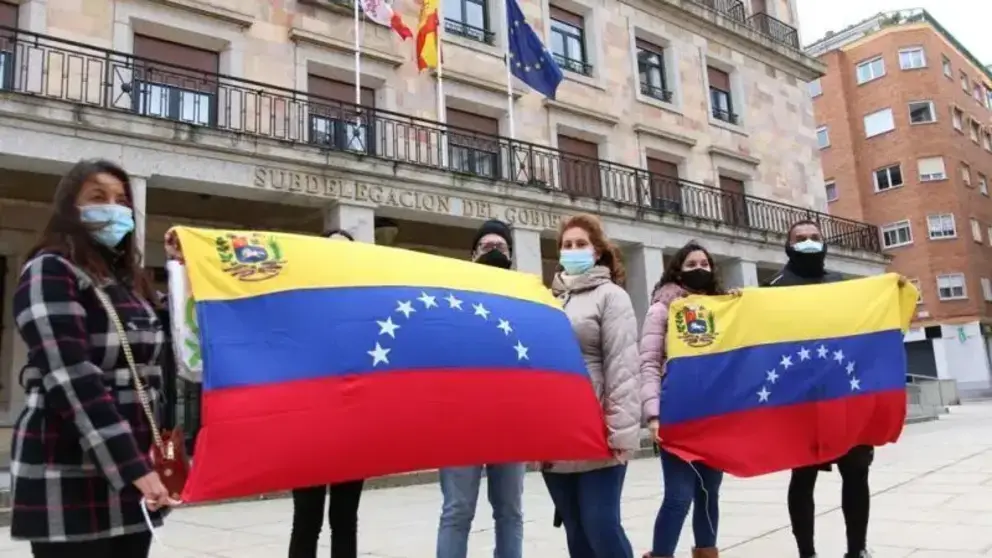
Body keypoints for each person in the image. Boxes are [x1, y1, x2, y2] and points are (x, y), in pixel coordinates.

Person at [9, 159, 175, 557]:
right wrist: (134, 467)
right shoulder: (50, 270)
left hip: (135, 464)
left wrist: (183, 269)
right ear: (71, 208)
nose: (113, 207)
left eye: (122, 199)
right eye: (98, 197)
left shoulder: (126, 284)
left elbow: (176, 339)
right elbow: (72, 379)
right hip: (71, 468)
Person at [764, 219, 872, 558]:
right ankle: (807, 553)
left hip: (844, 394)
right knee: (802, 477)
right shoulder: (773, 290)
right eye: (801, 238)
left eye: (814, 238)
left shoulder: (841, 285)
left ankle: (857, 550)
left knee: (855, 473)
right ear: (788, 245)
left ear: (824, 244)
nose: (808, 243)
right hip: (800, 400)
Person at [543, 213, 640, 558]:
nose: (573, 250)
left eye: (581, 244)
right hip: (556, 433)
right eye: (567, 245)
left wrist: (620, 433)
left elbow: (624, 366)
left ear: (597, 251)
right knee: (576, 530)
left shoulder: (611, 296)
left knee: (602, 525)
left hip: (597, 429)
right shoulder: (547, 299)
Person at [436, 220, 525, 558]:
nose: (493, 252)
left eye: (500, 248)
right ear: (472, 255)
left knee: (510, 512)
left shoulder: (524, 299)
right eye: (486, 247)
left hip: (509, 421)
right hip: (460, 421)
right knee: (457, 511)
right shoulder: (450, 299)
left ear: (511, 257)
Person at [638, 241, 730, 558]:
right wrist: (653, 414)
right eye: (691, 264)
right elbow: (648, 362)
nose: (699, 269)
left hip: (714, 415)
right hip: (676, 412)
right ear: (678, 270)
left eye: (704, 263)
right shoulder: (662, 309)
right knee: (679, 496)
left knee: (709, 493)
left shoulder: (725, 308)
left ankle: (707, 551)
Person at [287, 227, 365, 558]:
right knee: (306, 519)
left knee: (345, 519)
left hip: (352, 430)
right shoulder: (299, 301)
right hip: (308, 430)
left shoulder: (365, 307)